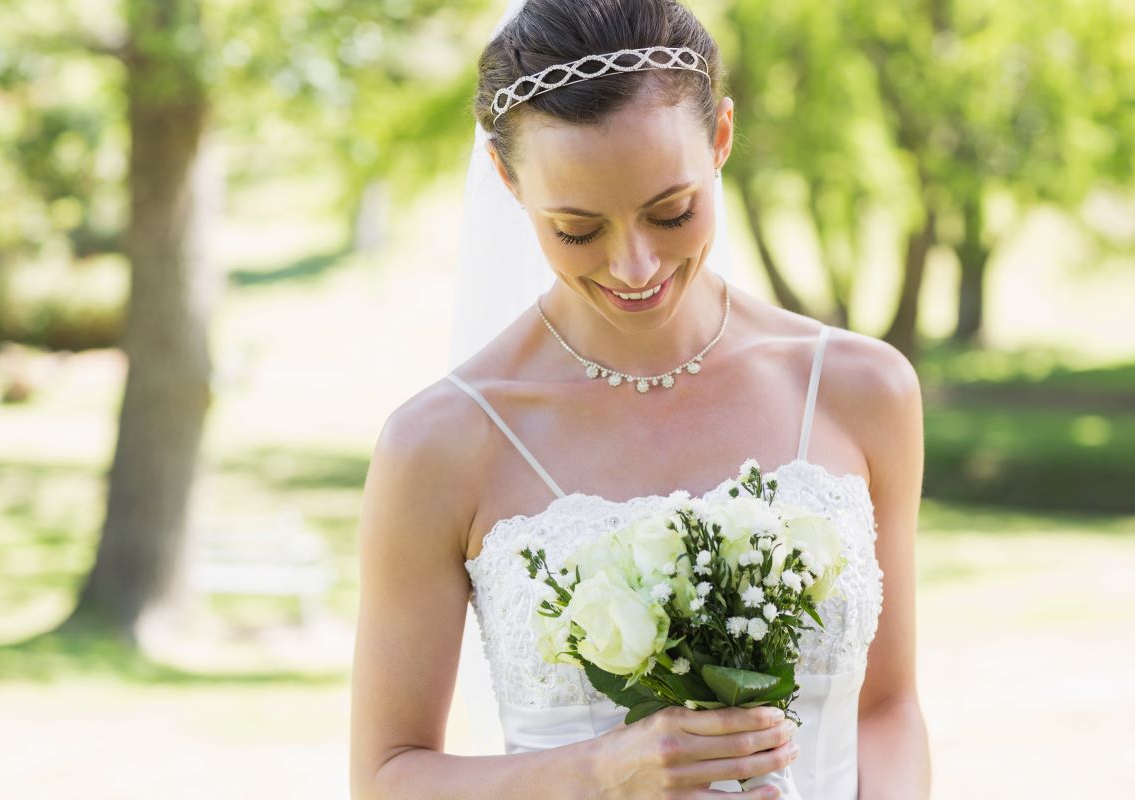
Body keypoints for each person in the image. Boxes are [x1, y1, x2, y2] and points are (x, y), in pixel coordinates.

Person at [349, 0, 931, 797]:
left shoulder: (862, 391)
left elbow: (888, 707)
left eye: (671, 212)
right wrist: (595, 771)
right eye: (577, 229)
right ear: (506, 178)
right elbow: (387, 776)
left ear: (722, 138)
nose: (634, 267)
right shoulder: (440, 444)